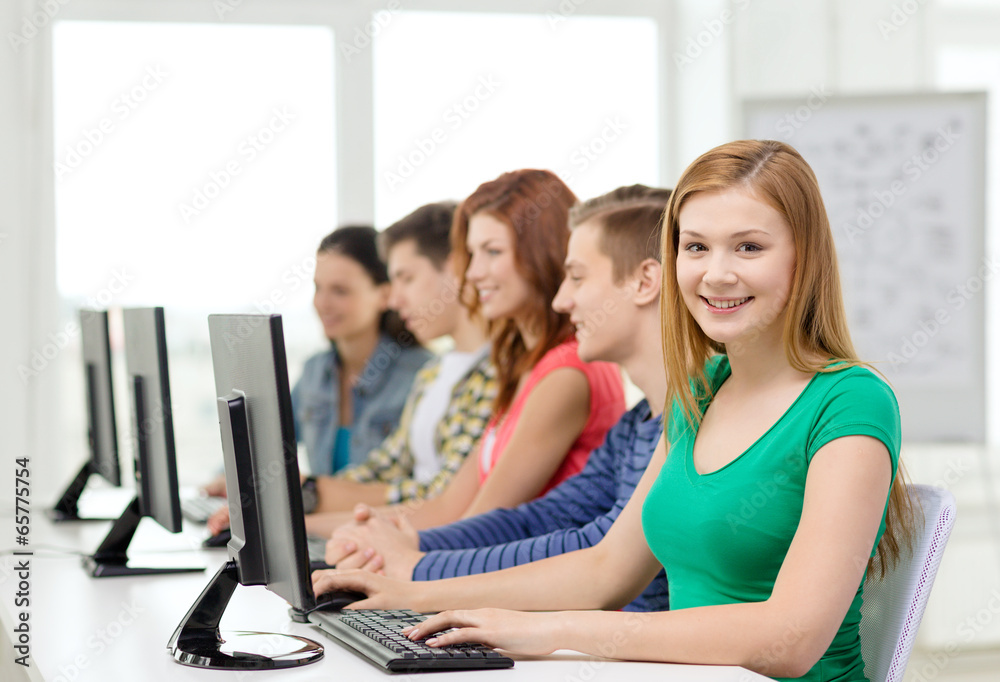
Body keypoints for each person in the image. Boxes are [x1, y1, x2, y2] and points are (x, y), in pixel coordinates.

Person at [313, 140, 917, 682]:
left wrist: (556, 632)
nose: (717, 273)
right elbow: (605, 570)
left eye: (750, 247)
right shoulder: (700, 390)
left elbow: (791, 642)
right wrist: (416, 594)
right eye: (696, 247)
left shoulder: (851, 402)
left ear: (804, 257)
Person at [323, 186, 674, 617]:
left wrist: (417, 570)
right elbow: (539, 519)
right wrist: (411, 546)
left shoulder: (662, 412)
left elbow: (594, 555)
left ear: (644, 281)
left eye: (578, 277)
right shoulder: (636, 424)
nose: (562, 300)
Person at [305, 169, 625, 538]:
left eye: (492, 252)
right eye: (472, 254)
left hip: (531, 588)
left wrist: (386, 559)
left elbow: (475, 527)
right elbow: (448, 510)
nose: (472, 274)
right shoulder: (524, 368)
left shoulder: (565, 372)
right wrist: (301, 529)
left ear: (541, 251)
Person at [204, 225, 431, 505]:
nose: (322, 303)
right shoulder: (315, 373)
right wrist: (224, 479)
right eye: (318, 288)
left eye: (340, 291)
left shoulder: (423, 376)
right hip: (322, 530)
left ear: (384, 295)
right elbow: (266, 447)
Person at [309, 202, 497, 512]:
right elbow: (384, 467)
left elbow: (444, 498)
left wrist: (315, 500)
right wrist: (306, 492)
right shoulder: (434, 373)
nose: (395, 299)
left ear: (454, 270)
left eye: (406, 279)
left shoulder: (495, 374)